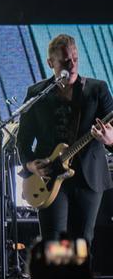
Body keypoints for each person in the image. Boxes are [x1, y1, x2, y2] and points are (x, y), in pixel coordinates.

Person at [18, 34, 113, 244]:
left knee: (82, 241)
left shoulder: (97, 89)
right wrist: (32, 165)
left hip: (88, 178)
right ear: (50, 63)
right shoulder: (37, 94)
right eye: (65, 61)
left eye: (75, 59)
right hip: (49, 177)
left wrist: (109, 139)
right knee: (52, 241)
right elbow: (22, 141)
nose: (71, 65)